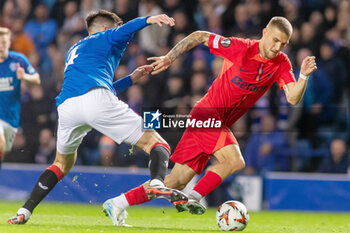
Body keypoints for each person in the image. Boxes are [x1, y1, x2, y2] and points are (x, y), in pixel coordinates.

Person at [105, 16, 317, 224]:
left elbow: (292, 97)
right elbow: (200, 36)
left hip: (215, 122)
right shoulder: (240, 47)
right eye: (275, 40)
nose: (277, 47)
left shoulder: (281, 62)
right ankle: (195, 197)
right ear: (265, 33)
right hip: (207, 114)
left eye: (283, 43)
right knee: (235, 161)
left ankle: (117, 203)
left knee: (174, 182)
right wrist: (170, 57)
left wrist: (304, 76)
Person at [8, 10, 187, 226]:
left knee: (61, 163)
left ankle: (24, 211)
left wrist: (130, 79)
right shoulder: (106, 36)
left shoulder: (74, 49)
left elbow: (99, 85)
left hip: (67, 106)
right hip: (95, 100)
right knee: (158, 144)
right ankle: (157, 182)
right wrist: (150, 19)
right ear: (105, 28)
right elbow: (127, 29)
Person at [0, 27, 40, 167]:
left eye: (4, 42)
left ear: (9, 43)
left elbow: (36, 80)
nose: (1, 46)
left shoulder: (19, 59)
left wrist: (25, 77)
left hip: (15, 121)